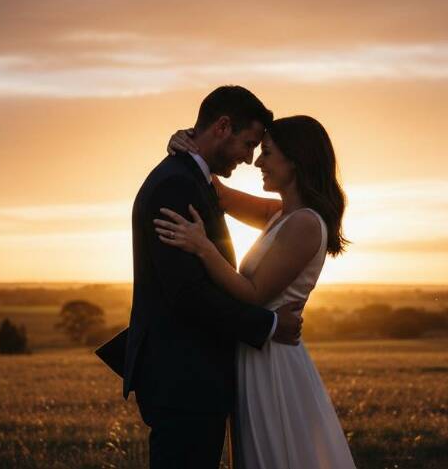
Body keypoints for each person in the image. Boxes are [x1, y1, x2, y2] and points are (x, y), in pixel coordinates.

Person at [96, 85, 304, 469]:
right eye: (248, 144)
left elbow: (281, 215)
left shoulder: (194, 179)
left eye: (262, 150)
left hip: (193, 375)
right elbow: (187, 294)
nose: (250, 158)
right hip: (183, 377)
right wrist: (270, 325)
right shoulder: (178, 184)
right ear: (223, 126)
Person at [157, 114, 357, 468]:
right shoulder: (280, 214)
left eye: (266, 153)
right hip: (256, 352)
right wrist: (186, 142)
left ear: (295, 161)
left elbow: (252, 294)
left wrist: (203, 246)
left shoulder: (306, 224)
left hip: (272, 362)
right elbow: (218, 193)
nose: (257, 162)